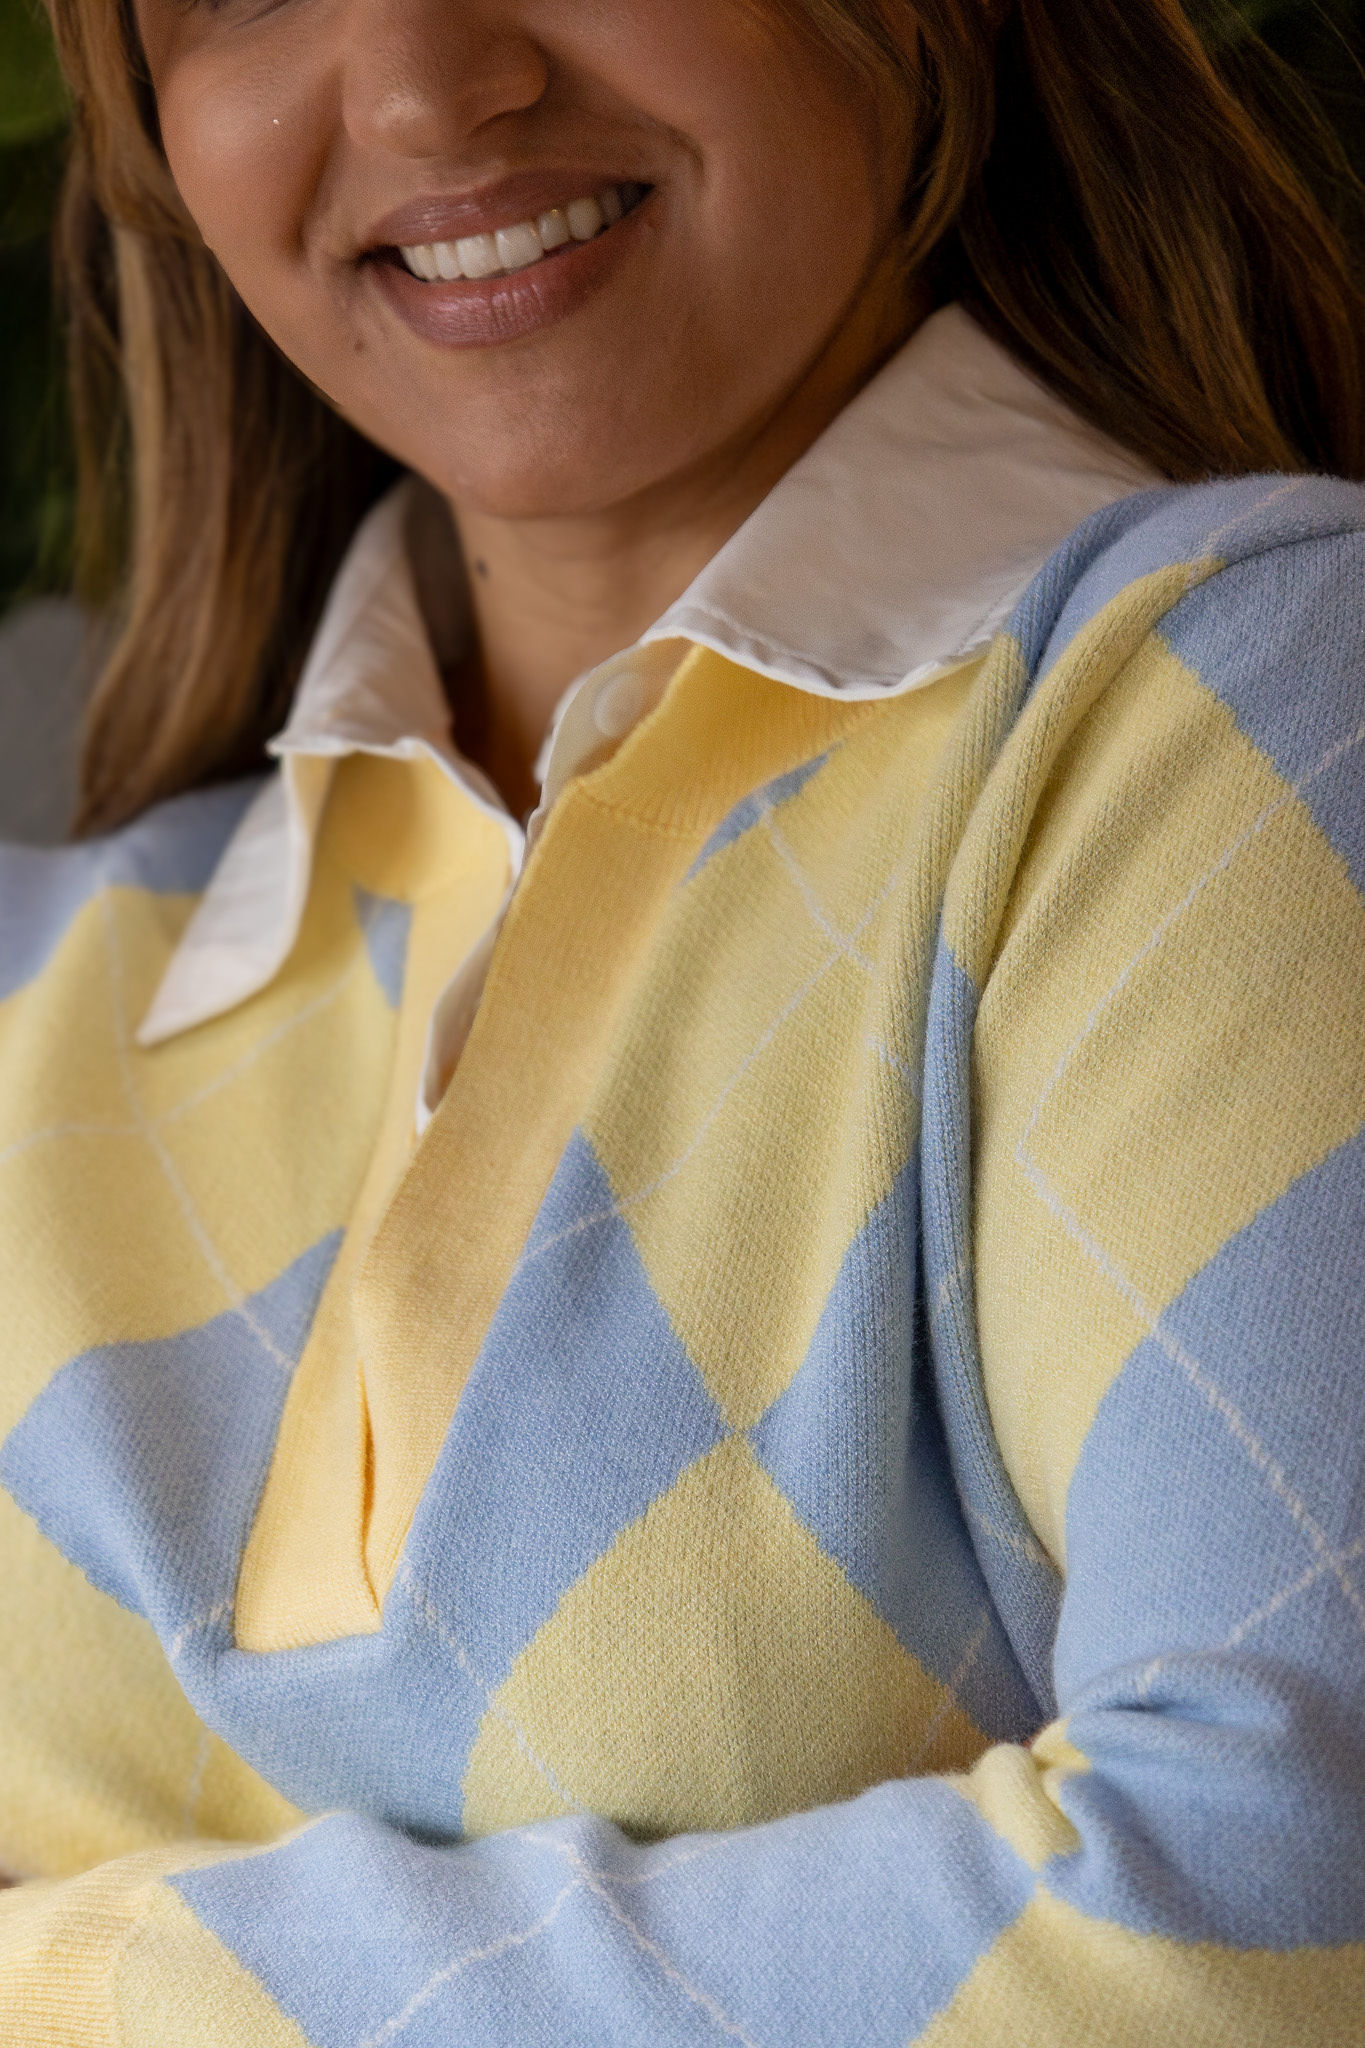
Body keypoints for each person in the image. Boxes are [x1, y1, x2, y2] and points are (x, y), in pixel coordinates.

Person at [1, 0, 1363, 2038]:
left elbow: (1272, 1925)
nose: (424, 87)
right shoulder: (41, 988)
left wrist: (76, 1968)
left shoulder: (1234, 710)